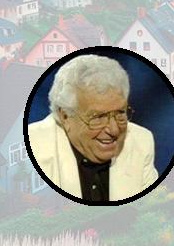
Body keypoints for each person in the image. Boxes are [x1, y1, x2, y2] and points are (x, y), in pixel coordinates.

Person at [28, 54, 158, 202]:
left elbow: (150, 206)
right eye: (98, 117)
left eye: (120, 113)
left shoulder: (142, 141)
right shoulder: (33, 147)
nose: (114, 130)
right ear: (65, 117)